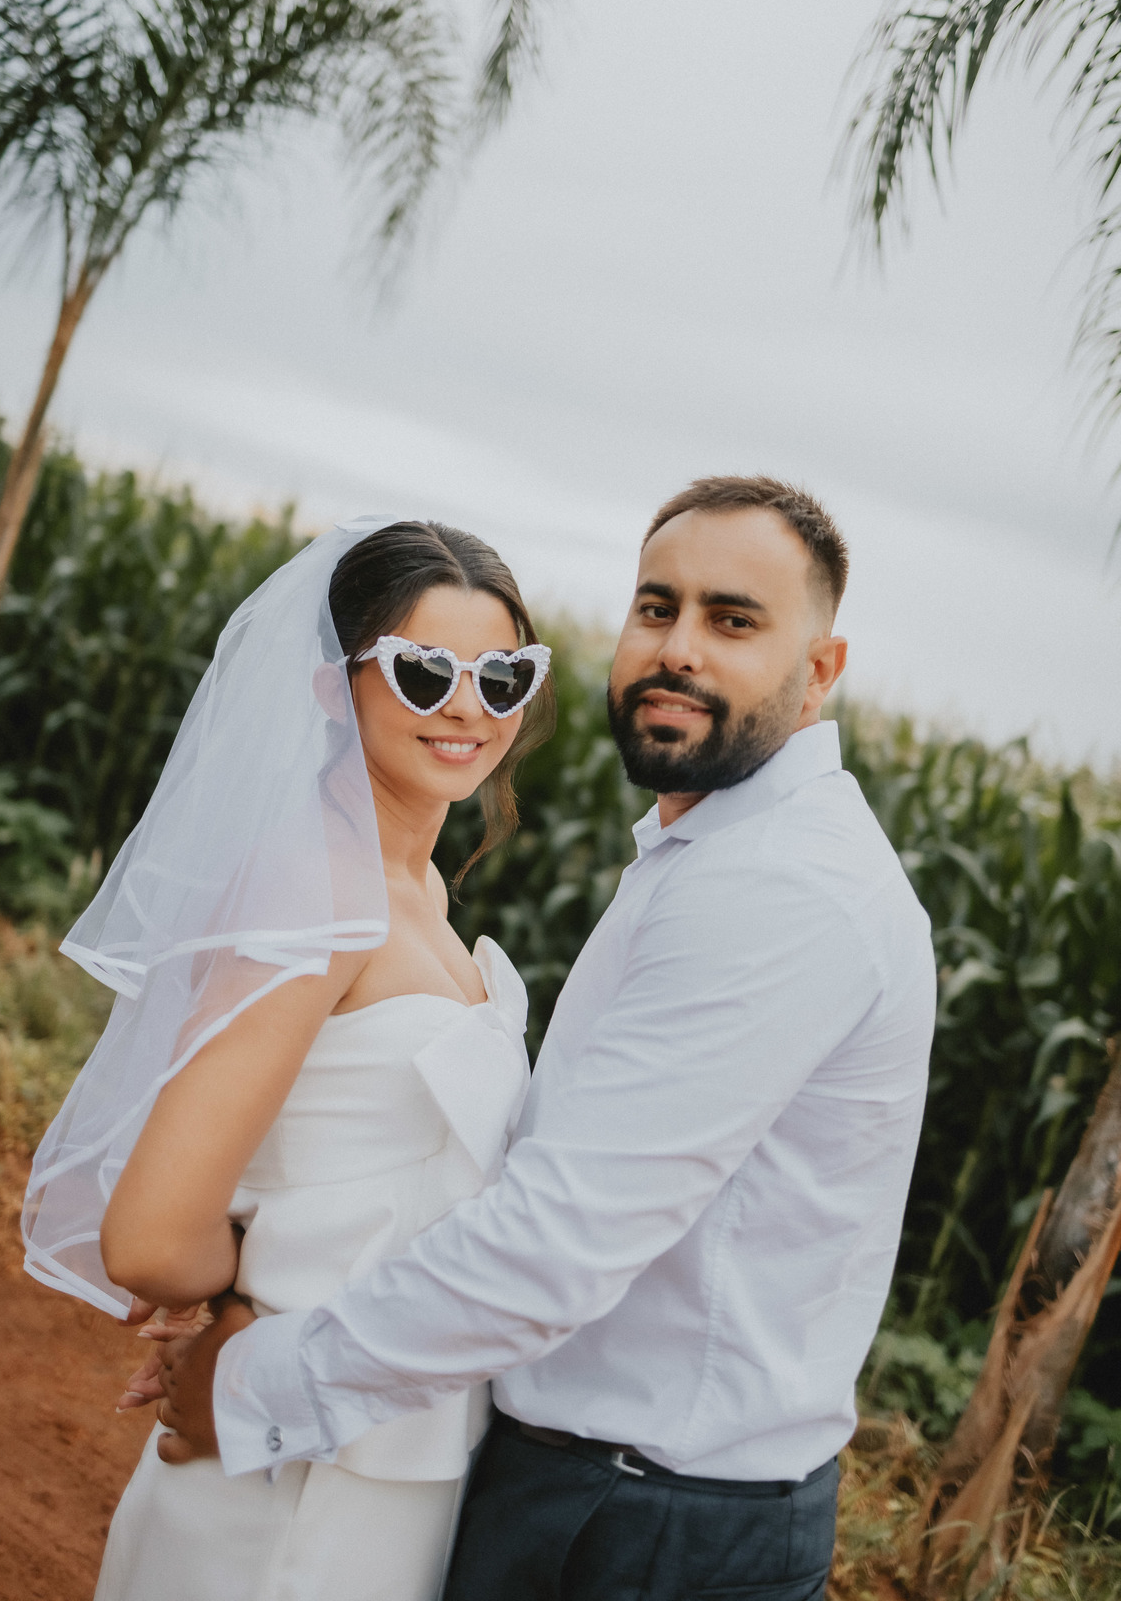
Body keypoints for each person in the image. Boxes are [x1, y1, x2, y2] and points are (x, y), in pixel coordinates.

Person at [150, 475, 937, 1601]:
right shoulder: (711, 849)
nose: (678, 649)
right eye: (657, 607)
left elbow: (557, 1239)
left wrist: (250, 1382)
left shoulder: (781, 888)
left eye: (733, 620)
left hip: (642, 1524)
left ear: (819, 672)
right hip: (580, 1485)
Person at [20, 515, 556, 1601]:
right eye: (421, 671)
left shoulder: (420, 891)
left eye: (502, 676)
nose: (467, 707)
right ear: (329, 687)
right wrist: (236, 1303)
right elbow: (149, 1234)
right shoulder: (311, 892)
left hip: (379, 1436)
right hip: (278, 1491)